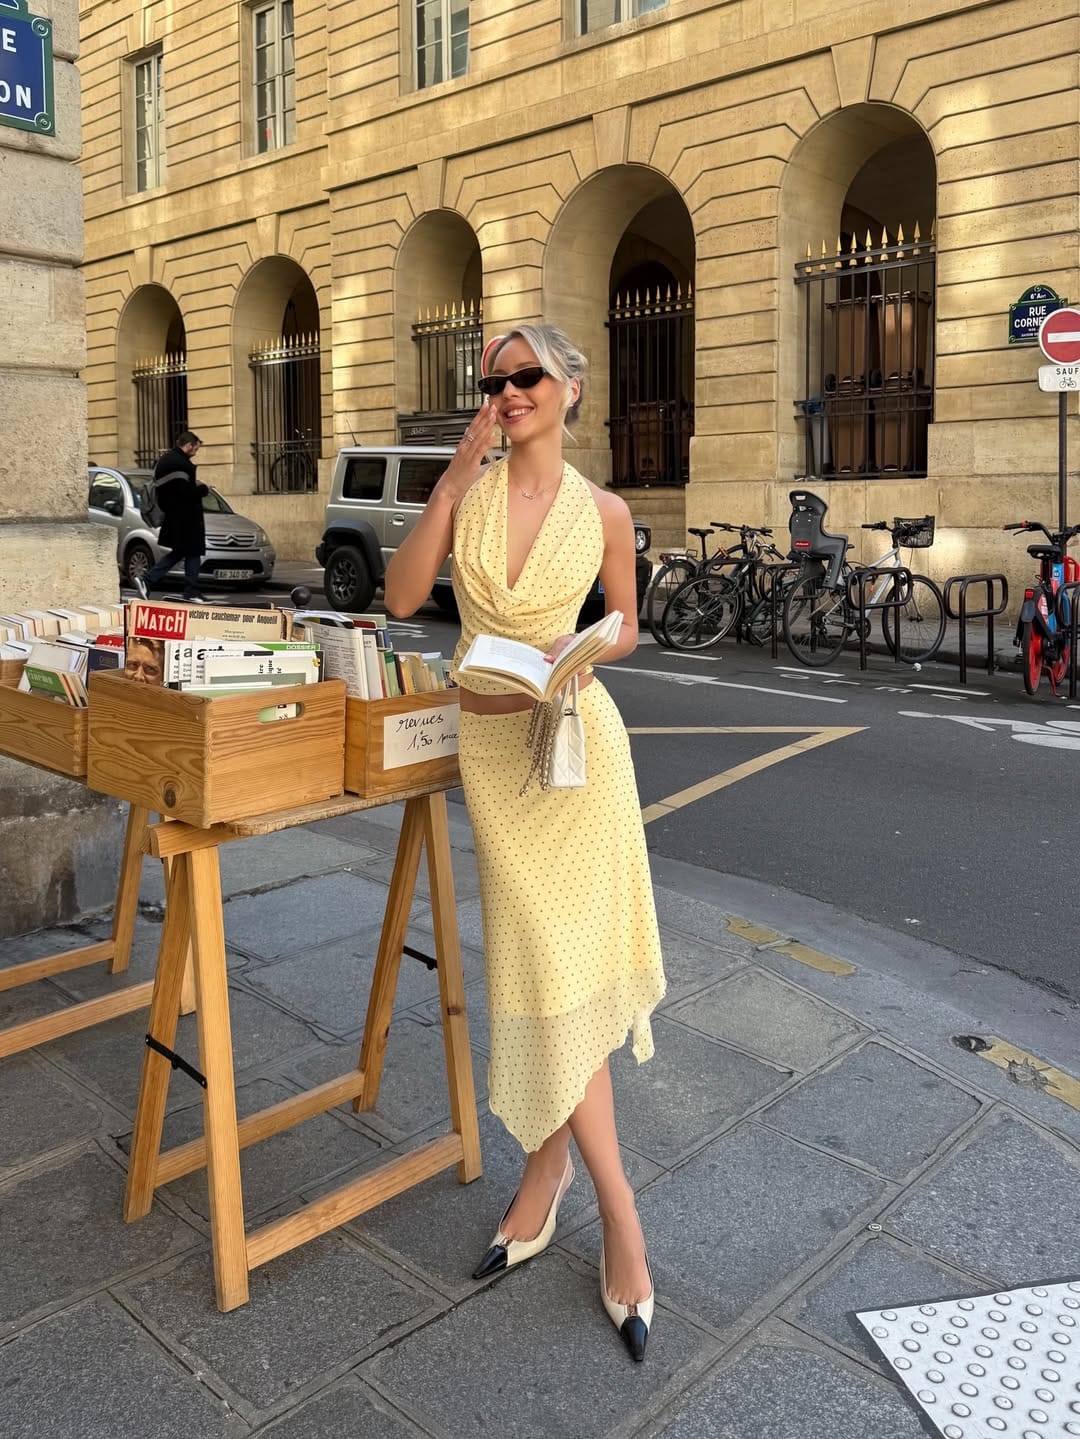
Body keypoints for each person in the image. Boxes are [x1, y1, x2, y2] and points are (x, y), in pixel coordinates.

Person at [384, 324, 666, 1363]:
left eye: (525, 377)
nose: (506, 393)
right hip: (495, 764)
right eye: (494, 380)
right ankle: (565, 1191)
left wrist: (587, 647)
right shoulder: (476, 492)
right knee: (548, 971)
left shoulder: (607, 512)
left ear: (569, 388)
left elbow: (629, 619)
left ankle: (606, 1211)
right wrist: (453, 479)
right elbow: (404, 599)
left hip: (577, 754)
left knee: (565, 973)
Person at [135, 431, 209, 602]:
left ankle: (152, 581)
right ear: (189, 445)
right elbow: (183, 491)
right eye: (195, 449)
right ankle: (189, 591)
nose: (195, 453)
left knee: (185, 552)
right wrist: (203, 490)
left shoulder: (168, 460)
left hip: (178, 517)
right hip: (184, 518)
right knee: (191, 551)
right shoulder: (179, 463)